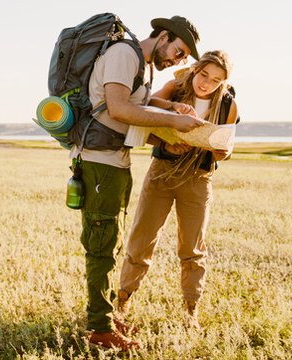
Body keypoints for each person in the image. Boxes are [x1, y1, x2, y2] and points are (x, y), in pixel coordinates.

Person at [73, 15, 208, 351]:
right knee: (101, 244)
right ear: (163, 36)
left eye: (182, 58)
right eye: (178, 51)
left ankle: (106, 314)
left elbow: (136, 108)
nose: (177, 60)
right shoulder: (124, 53)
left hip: (116, 160)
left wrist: (168, 118)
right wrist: (172, 120)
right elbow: (118, 109)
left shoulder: (142, 64)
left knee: (112, 240)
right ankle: (100, 329)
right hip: (100, 162)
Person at [115, 50, 239, 329]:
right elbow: (146, 107)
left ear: (224, 82)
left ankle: (191, 310)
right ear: (195, 69)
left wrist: (220, 151)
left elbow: (226, 149)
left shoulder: (228, 104)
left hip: (198, 177)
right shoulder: (176, 87)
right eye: (204, 75)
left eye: (216, 80)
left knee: (192, 247)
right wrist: (166, 136)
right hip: (161, 171)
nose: (206, 84)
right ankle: (123, 299)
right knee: (142, 240)